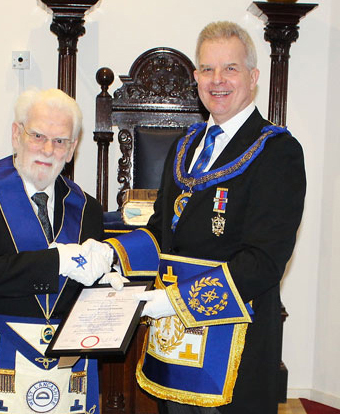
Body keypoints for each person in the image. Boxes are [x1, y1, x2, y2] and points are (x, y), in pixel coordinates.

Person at [104, 21, 306, 414]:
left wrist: (176, 302)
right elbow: (162, 230)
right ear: (196, 77)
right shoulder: (186, 145)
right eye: (208, 69)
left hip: (232, 345)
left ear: (253, 76)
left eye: (230, 68)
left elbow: (263, 261)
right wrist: (112, 255)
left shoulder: (277, 152)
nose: (218, 80)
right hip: (174, 342)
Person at [0, 88, 122, 414]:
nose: (47, 149)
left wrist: (113, 291)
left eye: (60, 141)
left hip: (64, 379)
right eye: (37, 135)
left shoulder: (87, 209)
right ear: (16, 134)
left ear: (72, 150)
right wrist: (60, 260)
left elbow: (85, 299)